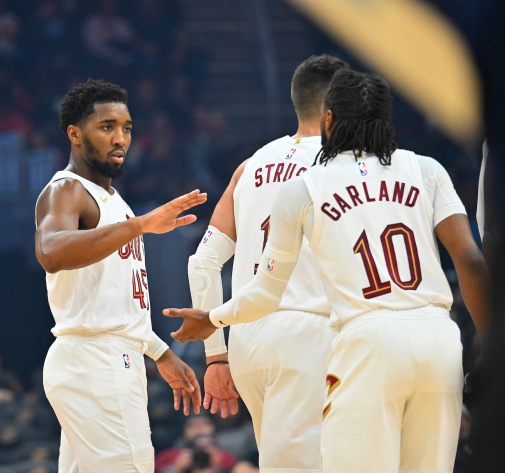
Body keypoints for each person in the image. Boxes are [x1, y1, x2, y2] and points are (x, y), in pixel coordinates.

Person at [165, 69, 489, 472]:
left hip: (283, 334)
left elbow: (208, 264)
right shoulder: (424, 169)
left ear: (329, 114)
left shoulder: (262, 171)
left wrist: (214, 342)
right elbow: (472, 262)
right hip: (408, 335)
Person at [186, 54, 348, 472]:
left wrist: (216, 357)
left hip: (246, 342)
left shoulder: (248, 167)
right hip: (307, 332)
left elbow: (202, 263)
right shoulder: (343, 167)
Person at [35, 78, 206, 472]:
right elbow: (50, 251)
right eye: (106, 127)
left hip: (101, 359)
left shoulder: (117, 203)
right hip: (96, 362)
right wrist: (141, 226)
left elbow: (113, 300)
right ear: (75, 134)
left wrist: (159, 351)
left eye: (126, 128)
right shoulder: (67, 190)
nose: (120, 138)